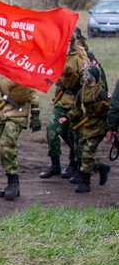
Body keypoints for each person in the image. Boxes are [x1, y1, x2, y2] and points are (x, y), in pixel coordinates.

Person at [40, 28, 89, 180]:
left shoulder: (80, 58)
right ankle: (55, 165)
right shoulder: (59, 56)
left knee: (74, 135)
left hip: (75, 102)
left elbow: (87, 81)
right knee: (52, 130)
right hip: (62, 100)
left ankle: (77, 164)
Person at [0, 71, 40, 201]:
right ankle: (11, 183)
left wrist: (35, 116)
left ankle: (13, 183)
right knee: (2, 149)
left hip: (18, 113)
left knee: (6, 146)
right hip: (2, 112)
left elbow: (33, 92)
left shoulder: (22, 67)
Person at [61, 65, 111, 192]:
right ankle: (100, 167)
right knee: (81, 153)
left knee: (87, 152)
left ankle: (85, 181)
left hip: (97, 127)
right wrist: (67, 117)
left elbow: (108, 110)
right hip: (85, 127)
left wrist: (110, 128)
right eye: (84, 75)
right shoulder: (82, 92)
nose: (84, 77)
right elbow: (77, 109)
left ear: (94, 77)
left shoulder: (100, 92)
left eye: (87, 75)